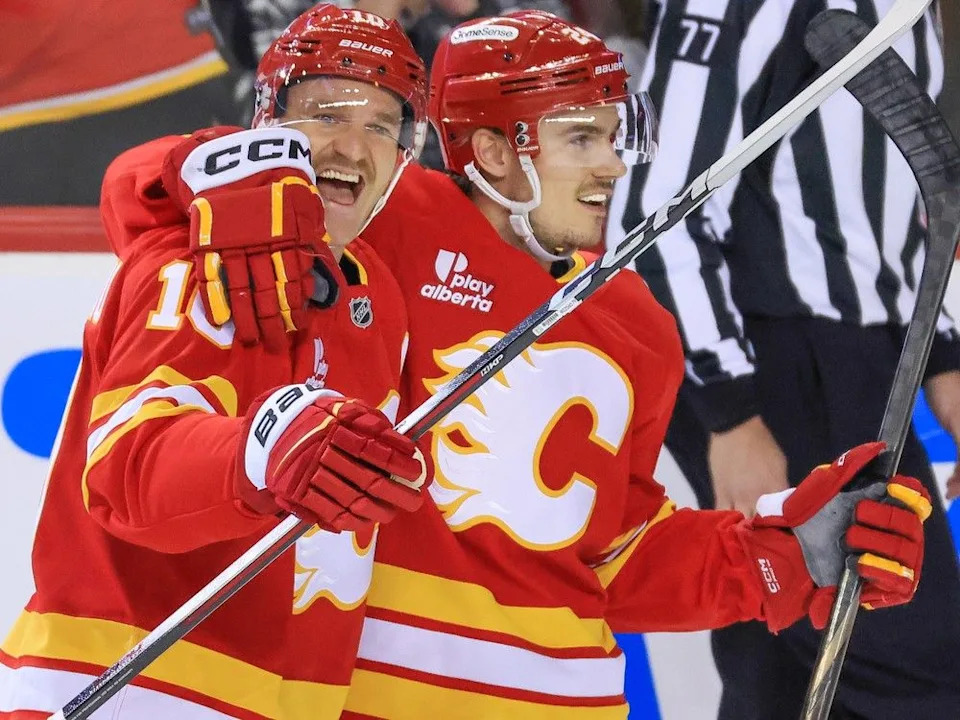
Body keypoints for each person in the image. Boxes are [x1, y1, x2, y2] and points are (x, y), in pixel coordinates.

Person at [333, 11, 928, 718]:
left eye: (613, 137)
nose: (612, 165)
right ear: (493, 151)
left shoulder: (632, 323)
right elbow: (198, 170)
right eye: (580, 137)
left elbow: (620, 555)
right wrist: (204, 188)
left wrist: (784, 557)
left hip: (571, 701)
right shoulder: (378, 223)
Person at [0, 6, 432, 719]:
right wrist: (258, 452)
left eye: (381, 126)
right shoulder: (199, 251)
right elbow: (129, 460)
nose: (353, 147)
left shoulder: (377, 291)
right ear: (267, 125)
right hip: (132, 691)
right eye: (327, 113)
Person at [608, 0, 960, 717]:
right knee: (915, 664)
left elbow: (903, 200)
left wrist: (944, 353)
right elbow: (656, 208)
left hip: (861, 349)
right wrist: (730, 414)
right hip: (773, 356)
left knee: (778, 668)